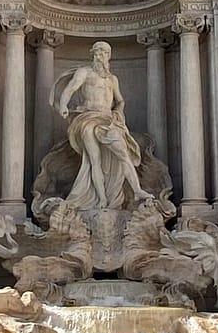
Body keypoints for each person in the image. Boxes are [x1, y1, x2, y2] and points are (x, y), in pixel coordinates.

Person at [55, 41, 151, 210]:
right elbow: (70, 89)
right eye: (98, 53)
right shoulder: (84, 72)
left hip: (107, 120)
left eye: (105, 53)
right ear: (92, 55)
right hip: (87, 118)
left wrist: (118, 111)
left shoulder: (112, 79)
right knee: (94, 160)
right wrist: (63, 105)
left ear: (109, 56)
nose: (101, 57)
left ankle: (137, 190)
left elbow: (120, 100)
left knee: (123, 153)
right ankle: (101, 199)